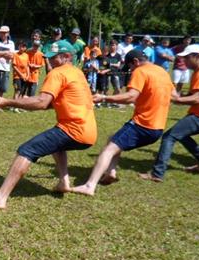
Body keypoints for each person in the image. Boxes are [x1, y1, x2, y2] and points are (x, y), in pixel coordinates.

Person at [0, 41, 97, 209]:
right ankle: (64, 182)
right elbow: (51, 103)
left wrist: (8, 102)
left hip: (73, 130)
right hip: (89, 133)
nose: (50, 61)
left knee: (26, 150)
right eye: (49, 58)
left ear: (67, 57)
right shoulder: (77, 73)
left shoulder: (58, 73)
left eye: (54, 58)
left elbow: (41, 102)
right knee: (57, 145)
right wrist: (22, 102)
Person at [72, 49, 174, 196]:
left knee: (108, 150)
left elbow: (131, 97)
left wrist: (104, 98)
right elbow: (173, 95)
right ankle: (111, 172)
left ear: (136, 62)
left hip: (142, 125)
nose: (131, 70)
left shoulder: (140, 71)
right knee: (113, 139)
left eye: (131, 67)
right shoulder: (162, 71)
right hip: (157, 129)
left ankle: (89, 185)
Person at [139, 45, 199, 182]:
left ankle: (157, 174)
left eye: (187, 58)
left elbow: (197, 98)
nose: (184, 61)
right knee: (181, 134)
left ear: (198, 57)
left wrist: (176, 99)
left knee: (169, 137)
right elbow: (197, 94)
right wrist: (182, 95)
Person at [26, 31, 45, 97]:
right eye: (33, 35)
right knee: (26, 87)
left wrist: (37, 66)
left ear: (39, 37)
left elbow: (42, 59)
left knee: (33, 87)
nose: (34, 37)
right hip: (28, 69)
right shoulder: (28, 45)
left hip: (36, 71)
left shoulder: (41, 47)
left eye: (36, 36)